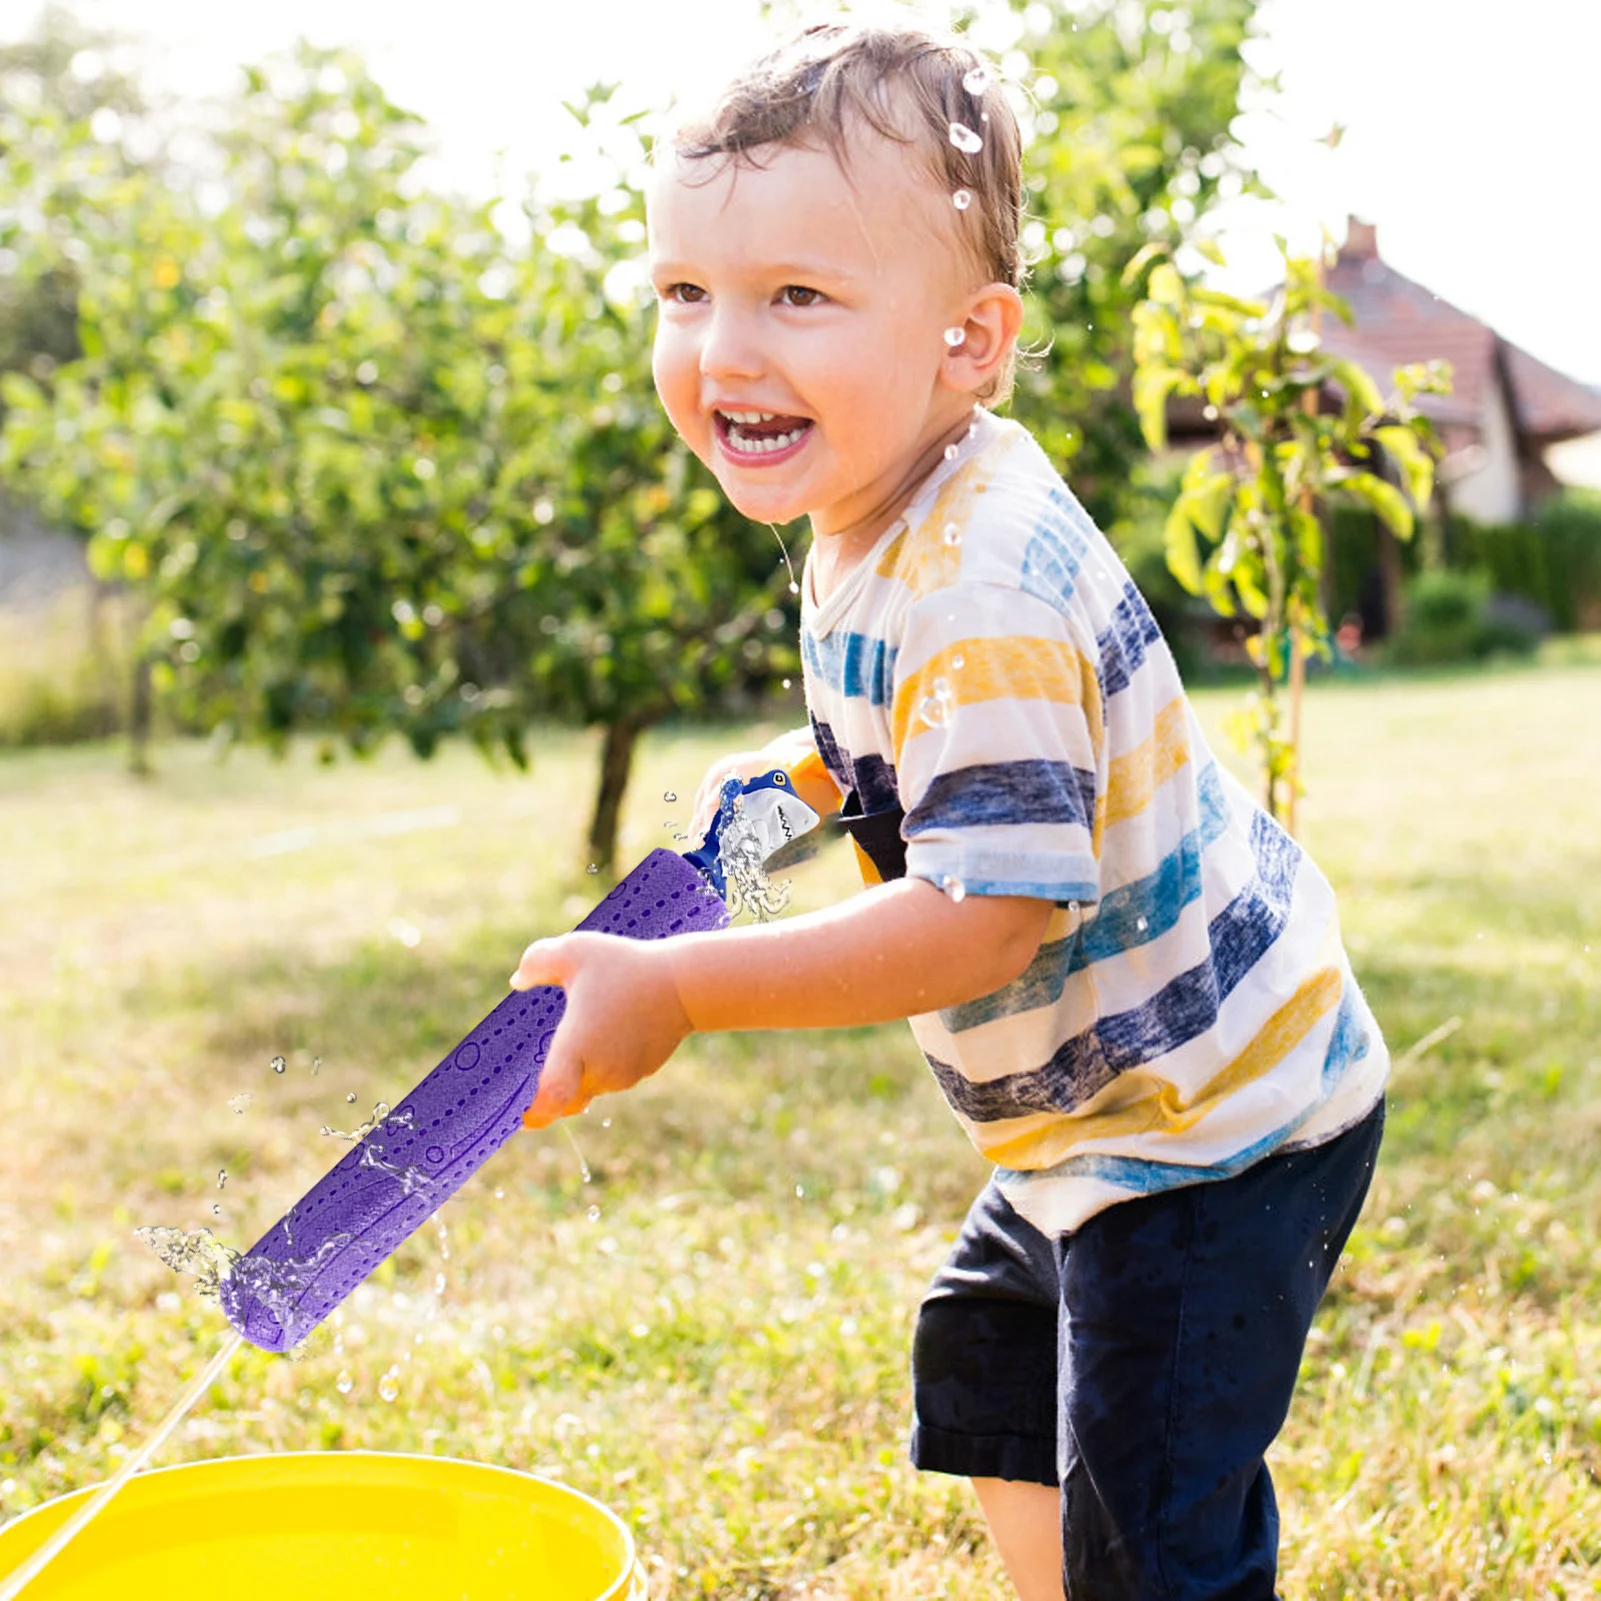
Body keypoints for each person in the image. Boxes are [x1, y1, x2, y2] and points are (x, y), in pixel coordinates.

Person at [511, 23, 1387, 1600]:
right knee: (991, 1358)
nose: (725, 352)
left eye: (798, 295)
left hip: (1211, 1130)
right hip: (1107, 1114)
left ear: (969, 341)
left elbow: (987, 919)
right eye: (686, 291)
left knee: (1154, 1525)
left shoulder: (981, 579)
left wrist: (682, 988)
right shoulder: (886, 502)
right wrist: (809, 773)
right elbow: (919, 735)